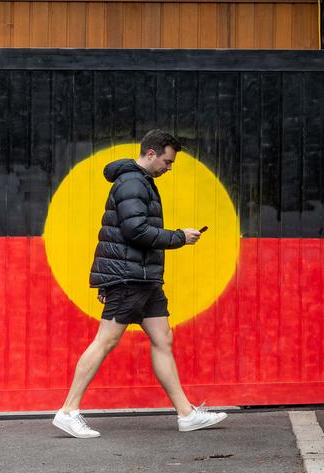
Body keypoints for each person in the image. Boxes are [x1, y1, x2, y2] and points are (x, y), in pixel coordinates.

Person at [52, 129, 228, 438]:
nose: (168, 168)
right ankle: (68, 410)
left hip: (144, 278)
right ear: (151, 154)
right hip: (128, 276)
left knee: (163, 338)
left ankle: (186, 414)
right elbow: (135, 231)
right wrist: (179, 238)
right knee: (105, 340)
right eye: (167, 161)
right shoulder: (133, 182)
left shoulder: (141, 181)